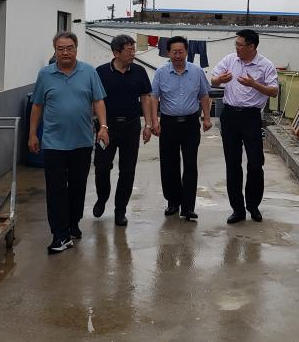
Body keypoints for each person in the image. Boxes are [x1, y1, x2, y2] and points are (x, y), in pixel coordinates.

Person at [29, 31, 108, 254]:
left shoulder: (89, 72)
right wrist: (32, 134)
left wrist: (103, 127)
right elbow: (37, 105)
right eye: (60, 49)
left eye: (69, 48)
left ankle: (73, 224)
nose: (65, 52)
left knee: (77, 187)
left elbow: (98, 101)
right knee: (55, 189)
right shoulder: (45, 75)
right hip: (53, 143)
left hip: (81, 142)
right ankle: (60, 235)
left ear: (76, 49)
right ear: (55, 51)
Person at [211, 29, 279, 224]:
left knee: (256, 163)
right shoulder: (230, 60)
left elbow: (274, 91)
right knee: (232, 164)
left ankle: (253, 205)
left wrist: (254, 84)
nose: (237, 48)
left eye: (240, 45)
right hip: (230, 115)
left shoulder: (265, 65)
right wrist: (220, 80)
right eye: (236, 44)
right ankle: (237, 209)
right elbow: (213, 79)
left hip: (251, 117)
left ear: (252, 46)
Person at [150, 36, 213, 221]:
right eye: (174, 52)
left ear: (186, 52)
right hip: (168, 124)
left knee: (190, 165)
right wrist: (154, 121)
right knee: (169, 165)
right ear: (168, 53)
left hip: (190, 124)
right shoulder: (161, 73)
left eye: (181, 52)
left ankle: (188, 207)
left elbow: (204, 95)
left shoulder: (197, 71)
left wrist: (207, 118)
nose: (178, 56)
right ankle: (173, 202)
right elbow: (154, 97)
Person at [94, 35, 154, 226]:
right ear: (116, 53)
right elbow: (95, 99)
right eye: (129, 50)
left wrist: (148, 125)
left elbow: (145, 97)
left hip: (131, 126)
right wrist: (100, 125)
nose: (133, 53)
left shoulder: (139, 71)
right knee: (102, 166)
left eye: (133, 49)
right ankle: (102, 197)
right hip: (107, 127)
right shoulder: (101, 72)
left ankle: (120, 210)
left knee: (127, 170)